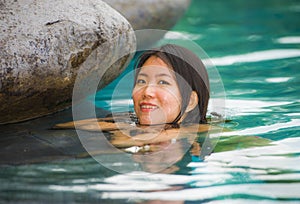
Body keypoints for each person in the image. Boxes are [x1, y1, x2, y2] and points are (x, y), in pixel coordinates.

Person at [54, 44, 211, 151]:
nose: (147, 91)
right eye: (141, 81)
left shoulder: (201, 132)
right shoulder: (122, 122)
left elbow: (121, 142)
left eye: (163, 82)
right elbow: (59, 127)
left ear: (190, 101)